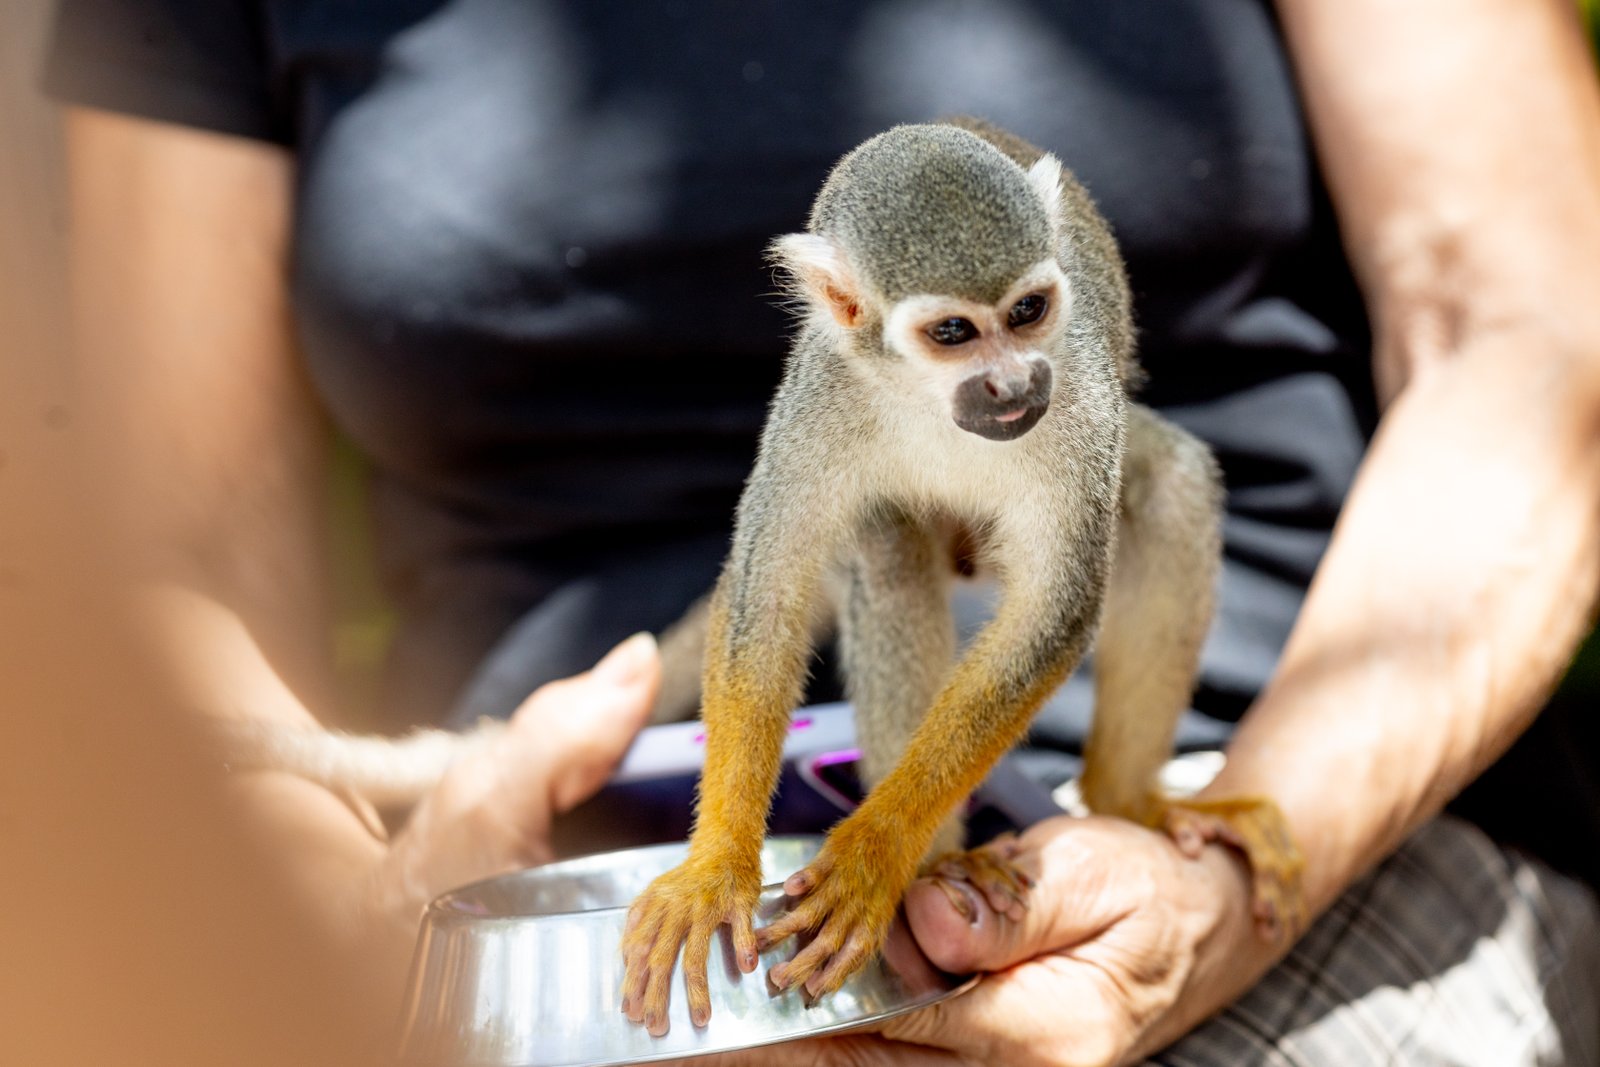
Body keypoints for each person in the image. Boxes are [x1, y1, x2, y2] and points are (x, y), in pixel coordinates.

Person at [44, 0, 1600, 1062]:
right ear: (847, 316)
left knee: (1160, 486)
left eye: (1030, 324)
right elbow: (164, 537)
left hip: (1270, 775)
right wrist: (335, 912)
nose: (1008, 375)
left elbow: (1537, 338)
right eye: (957, 341)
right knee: (865, 561)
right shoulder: (833, 402)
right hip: (546, 860)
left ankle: (1124, 799)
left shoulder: (1039, 376)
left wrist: (1232, 864)